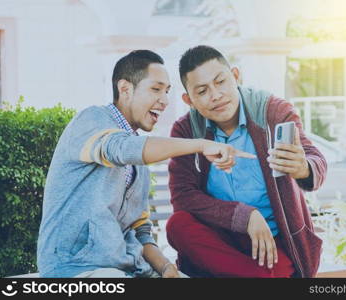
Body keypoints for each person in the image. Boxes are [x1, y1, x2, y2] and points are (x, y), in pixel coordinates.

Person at [37, 50, 254, 278]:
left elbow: (140, 230)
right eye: (156, 89)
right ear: (125, 89)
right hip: (74, 269)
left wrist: (167, 268)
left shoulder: (138, 163)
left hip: (127, 268)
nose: (164, 100)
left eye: (167, 91)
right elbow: (119, 149)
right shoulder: (91, 121)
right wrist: (201, 145)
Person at [166, 45, 327, 278]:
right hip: (219, 242)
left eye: (221, 82)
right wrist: (244, 216)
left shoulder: (272, 112)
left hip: (272, 241)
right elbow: (182, 197)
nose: (215, 95)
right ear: (188, 99)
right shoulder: (186, 129)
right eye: (202, 91)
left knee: (277, 268)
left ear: (236, 76)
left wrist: (303, 167)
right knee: (177, 225)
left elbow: (317, 161)